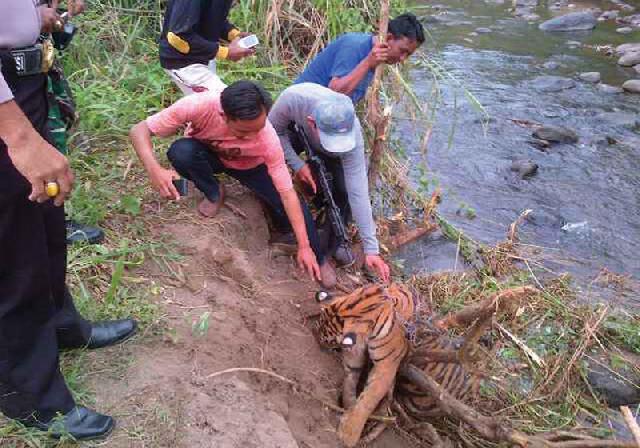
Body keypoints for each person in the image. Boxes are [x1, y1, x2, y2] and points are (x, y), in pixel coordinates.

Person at [0, 0, 137, 440]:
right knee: (14, 250)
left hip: (23, 83)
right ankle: (28, 394)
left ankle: (60, 323)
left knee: (46, 220)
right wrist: (17, 135)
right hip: (5, 111)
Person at [129, 80, 336, 287]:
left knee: (292, 204)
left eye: (259, 128)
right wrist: (154, 170)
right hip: (210, 155)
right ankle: (213, 191)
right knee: (181, 152)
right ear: (223, 116)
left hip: (251, 166)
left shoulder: (267, 140)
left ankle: (319, 257)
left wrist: (305, 246)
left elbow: (288, 194)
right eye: (243, 133)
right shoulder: (199, 106)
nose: (253, 137)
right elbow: (139, 130)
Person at [269, 83, 391, 282]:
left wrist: (372, 249)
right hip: (293, 136)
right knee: (270, 168)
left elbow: (358, 191)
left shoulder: (354, 134)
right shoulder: (293, 99)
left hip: (321, 150)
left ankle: (327, 249)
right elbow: (273, 132)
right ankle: (284, 227)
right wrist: (297, 164)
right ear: (312, 122)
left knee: (343, 193)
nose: (336, 148)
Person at [39, 0, 105, 244]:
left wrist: (57, 14)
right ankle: (47, 223)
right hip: (12, 75)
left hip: (40, 66)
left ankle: (51, 219)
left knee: (57, 126)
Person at [294, 13, 425, 104]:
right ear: (389, 38)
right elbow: (335, 93)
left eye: (408, 55)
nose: (403, 59)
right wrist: (367, 62)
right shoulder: (355, 46)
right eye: (403, 51)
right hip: (298, 109)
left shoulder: (376, 60)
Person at [159, 0, 255, 95]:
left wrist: (234, 35)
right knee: (225, 104)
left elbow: (212, 18)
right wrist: (225, 53)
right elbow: (177, 37)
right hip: (183, 63)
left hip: (204, 56)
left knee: (210, 106)